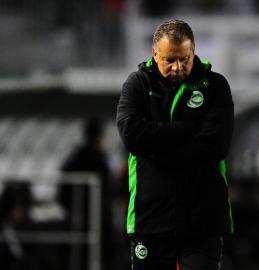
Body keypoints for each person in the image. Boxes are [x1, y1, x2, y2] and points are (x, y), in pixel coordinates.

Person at [116, 19, 234, 270]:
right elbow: (132, 135)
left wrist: (156, 151)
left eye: (185, 59)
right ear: (154, 54)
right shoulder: (137, 85)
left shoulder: (215, 86)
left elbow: (215, 146)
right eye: (169, 60)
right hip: (151, 217)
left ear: (193, 52)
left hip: (203, 219)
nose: (178, 67)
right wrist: (185, 130)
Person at [61, 118, 113, 270]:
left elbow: (64, 186)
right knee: (97, 256)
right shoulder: (100, 158)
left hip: (78, 216)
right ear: (100, 136)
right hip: (98, 217)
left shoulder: (76, 157)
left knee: (79, 255)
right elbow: (108, 188)